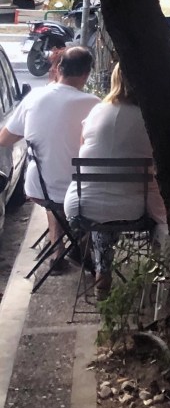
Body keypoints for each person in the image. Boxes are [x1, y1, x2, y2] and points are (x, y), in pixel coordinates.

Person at [63, 63, 167, 297]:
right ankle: (157, 274)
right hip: (131, 208)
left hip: (80, 205)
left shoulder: (97, 111)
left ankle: (103, 275)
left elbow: (83, 149)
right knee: (157, 210)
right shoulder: (150, 119)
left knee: (102, 208)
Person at [0, 46, 99, 267]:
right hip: (84, 191)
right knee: (70, 186)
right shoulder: (95, 105)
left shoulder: (34, 98)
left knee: (52, 190)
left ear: (59, 68)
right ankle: (81, 246)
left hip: (40, 188)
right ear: (86, 74)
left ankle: (57, 248)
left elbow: (4, 139)